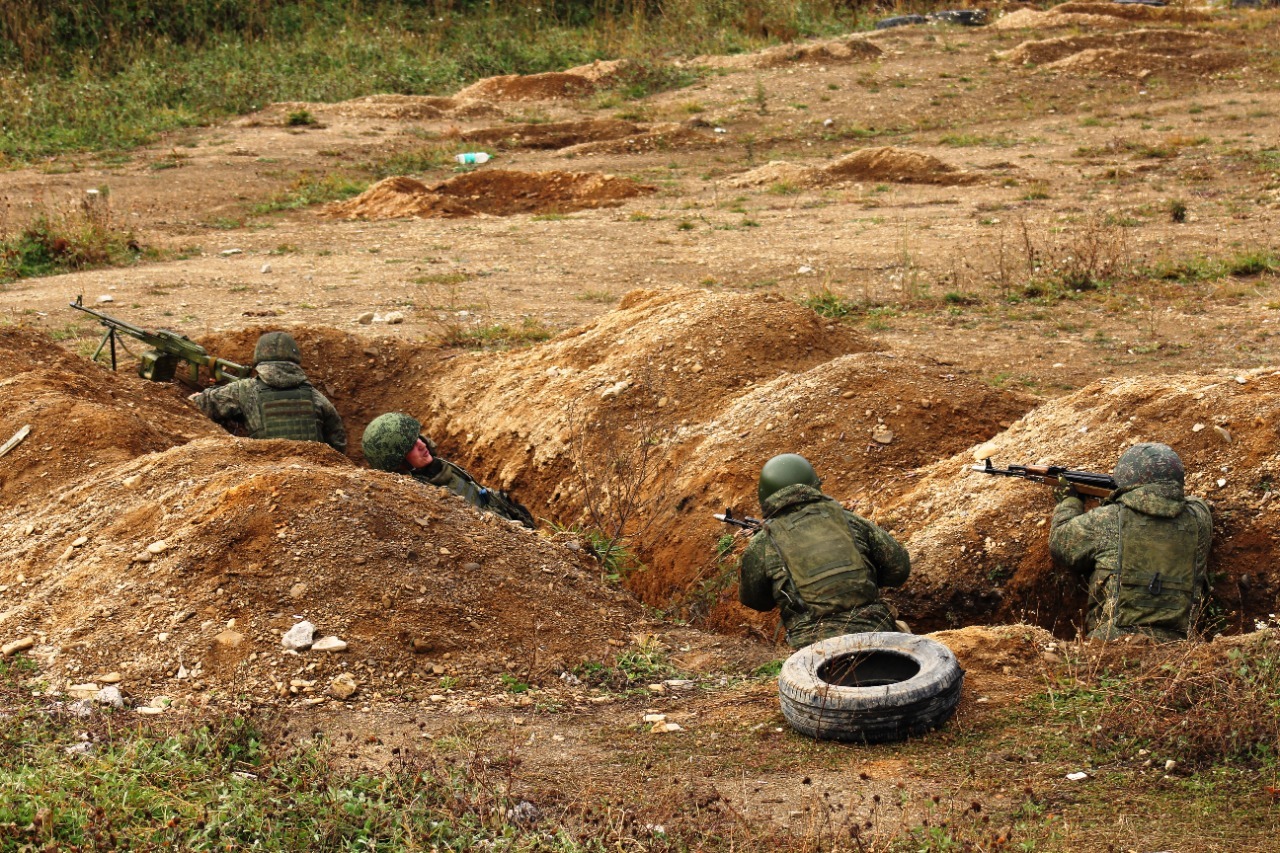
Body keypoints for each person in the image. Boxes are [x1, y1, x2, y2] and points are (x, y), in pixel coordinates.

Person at [738, 453, 911, 648]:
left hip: (811, 651)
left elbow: (755, 601)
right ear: (813, 484)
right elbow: (899, 569)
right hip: (875, 632)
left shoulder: (762, 543)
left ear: (765, 497)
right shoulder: (849, 521)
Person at [1050, 442, 1212, 641]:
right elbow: (1191, 501)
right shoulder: (1199, 519)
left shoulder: (1107, 520)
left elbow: (1061, 543)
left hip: (1112, 645)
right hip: (1182, 644)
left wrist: (1068, 502)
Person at [361, 412, 535, 528]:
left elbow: (473, 490)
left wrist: (502, 502)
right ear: (399, 463)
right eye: (411, 446)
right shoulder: (425, 497)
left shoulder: (438, 469)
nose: (421, 445)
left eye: (418, 438)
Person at [188, 331, 346, 453]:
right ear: (295, 358)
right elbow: (338, 442)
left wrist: (197, 398)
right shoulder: (315, 397)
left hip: (264, 477)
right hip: (314, 477)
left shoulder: (244, 390)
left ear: (259, 357)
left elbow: (198, 405)